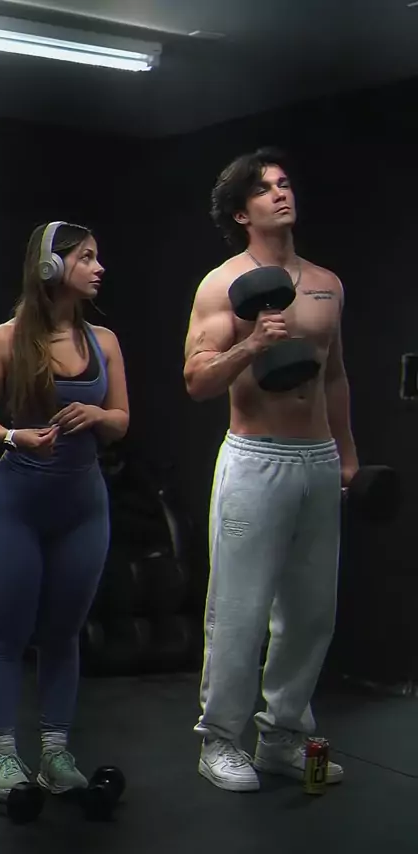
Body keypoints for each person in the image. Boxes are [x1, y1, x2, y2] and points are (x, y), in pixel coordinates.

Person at [183, 148, 358, 792]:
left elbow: (334, 375)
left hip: (318, 458)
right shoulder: (221, 284)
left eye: (285, 183)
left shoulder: (327, 283)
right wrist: (253, 343)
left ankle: (282, 736)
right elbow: (197, 379)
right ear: (241, 212)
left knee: (311, 613)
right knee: (240, 610)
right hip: (256, 459)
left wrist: (347, 452)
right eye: (264, 189)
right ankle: (220, 740)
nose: (281, 194)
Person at [0, 221, 129, 793]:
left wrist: (99, 416)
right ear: (51, 268)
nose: (99, 268)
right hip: (14, 507)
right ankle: (1, 755)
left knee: (63, 634)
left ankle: (55, 753)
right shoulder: (3, 340)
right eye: (86, 257)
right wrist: (14, 436)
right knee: (7, 634)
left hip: (82, 509)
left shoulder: (104, 342)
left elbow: (121, 421)